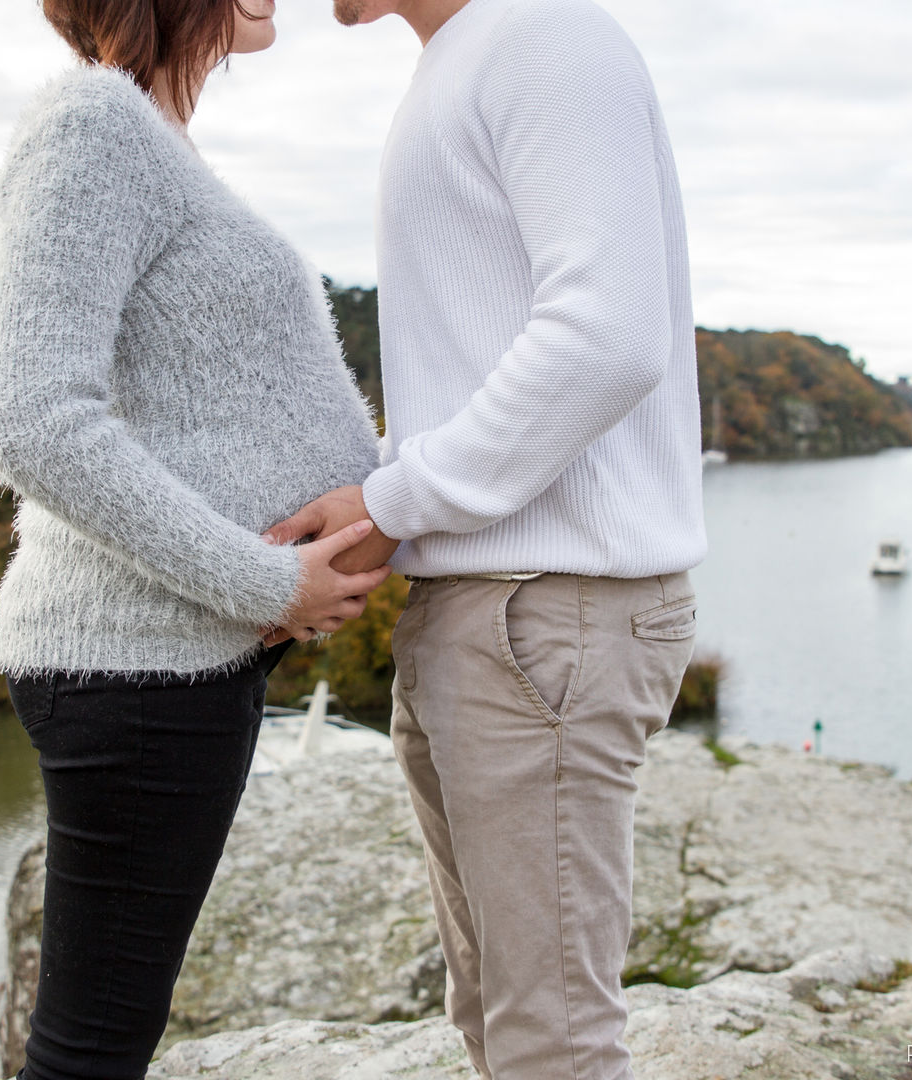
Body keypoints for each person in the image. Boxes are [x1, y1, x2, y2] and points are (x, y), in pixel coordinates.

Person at [261, 0, 708, 1075]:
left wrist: (395, 501)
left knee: (548, 1040)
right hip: (498, 606)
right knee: (498, 1021)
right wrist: (382, 493)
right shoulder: (466, 59)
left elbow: (603, 335)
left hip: (544, 608)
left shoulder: (543, 33)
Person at [0, 0, 389, 1075]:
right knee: (92, 1048)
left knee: (105, 1034)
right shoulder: (95, 121)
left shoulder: (148, 139)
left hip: (170, 663)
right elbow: (28, 414)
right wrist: (263, 580)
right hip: (138, 666)